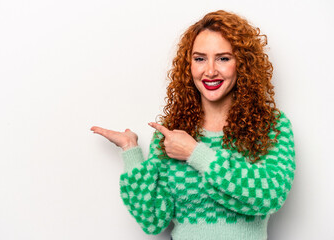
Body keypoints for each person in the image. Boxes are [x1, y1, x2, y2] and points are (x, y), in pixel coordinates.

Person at [91, 10, 295, 240]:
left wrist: (195, 153)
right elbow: (153, 221)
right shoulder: (172, 131)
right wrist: (131, 152)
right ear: (188, 66)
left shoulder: (271, 125)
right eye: (200, 58)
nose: (209, 71)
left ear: (243, 64)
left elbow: (270, 196)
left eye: (223, 58)